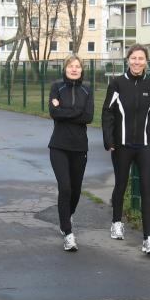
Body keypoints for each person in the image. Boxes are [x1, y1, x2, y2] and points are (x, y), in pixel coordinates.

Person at [101, 44, 150, 255]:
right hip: (122, 145)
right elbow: (107, 113)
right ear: (128, 60)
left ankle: (148, 239)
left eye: (141, 58)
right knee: (121, 184)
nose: (137, 62)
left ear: (146, 61)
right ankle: (116, 222)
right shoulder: (117, 83)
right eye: (134, 58)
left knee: (147, 189)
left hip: (145, 145)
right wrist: (109, 140)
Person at [48, 55, 94, 252]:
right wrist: (76, 111)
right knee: (65, 188)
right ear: (65, 68)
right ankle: (68, 232)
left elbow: (89, 117)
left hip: (79, 147)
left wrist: (64, 110)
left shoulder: (87, 90)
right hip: (58, 146)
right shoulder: (56, 87)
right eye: (70, 66)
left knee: (75, 190)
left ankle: (67, 215)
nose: (74, 69)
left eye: (77, 66)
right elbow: (53, 113)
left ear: (81, 70)